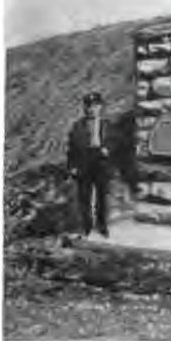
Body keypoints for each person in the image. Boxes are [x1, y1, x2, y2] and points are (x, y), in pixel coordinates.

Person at [67, 92, 111, 237]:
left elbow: (117, 143)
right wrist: (72, 166)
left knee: (102, 197)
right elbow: (71, 148)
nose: (91, 109)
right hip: (83, 162)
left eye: (95, 105)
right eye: (88, 106)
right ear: (84, 107)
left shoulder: (108, 125)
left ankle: (102, 225)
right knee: (84, 198)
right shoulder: (77, 125)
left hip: (101, 162)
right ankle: (86, 226)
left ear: (100, 107)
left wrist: (109, 150)